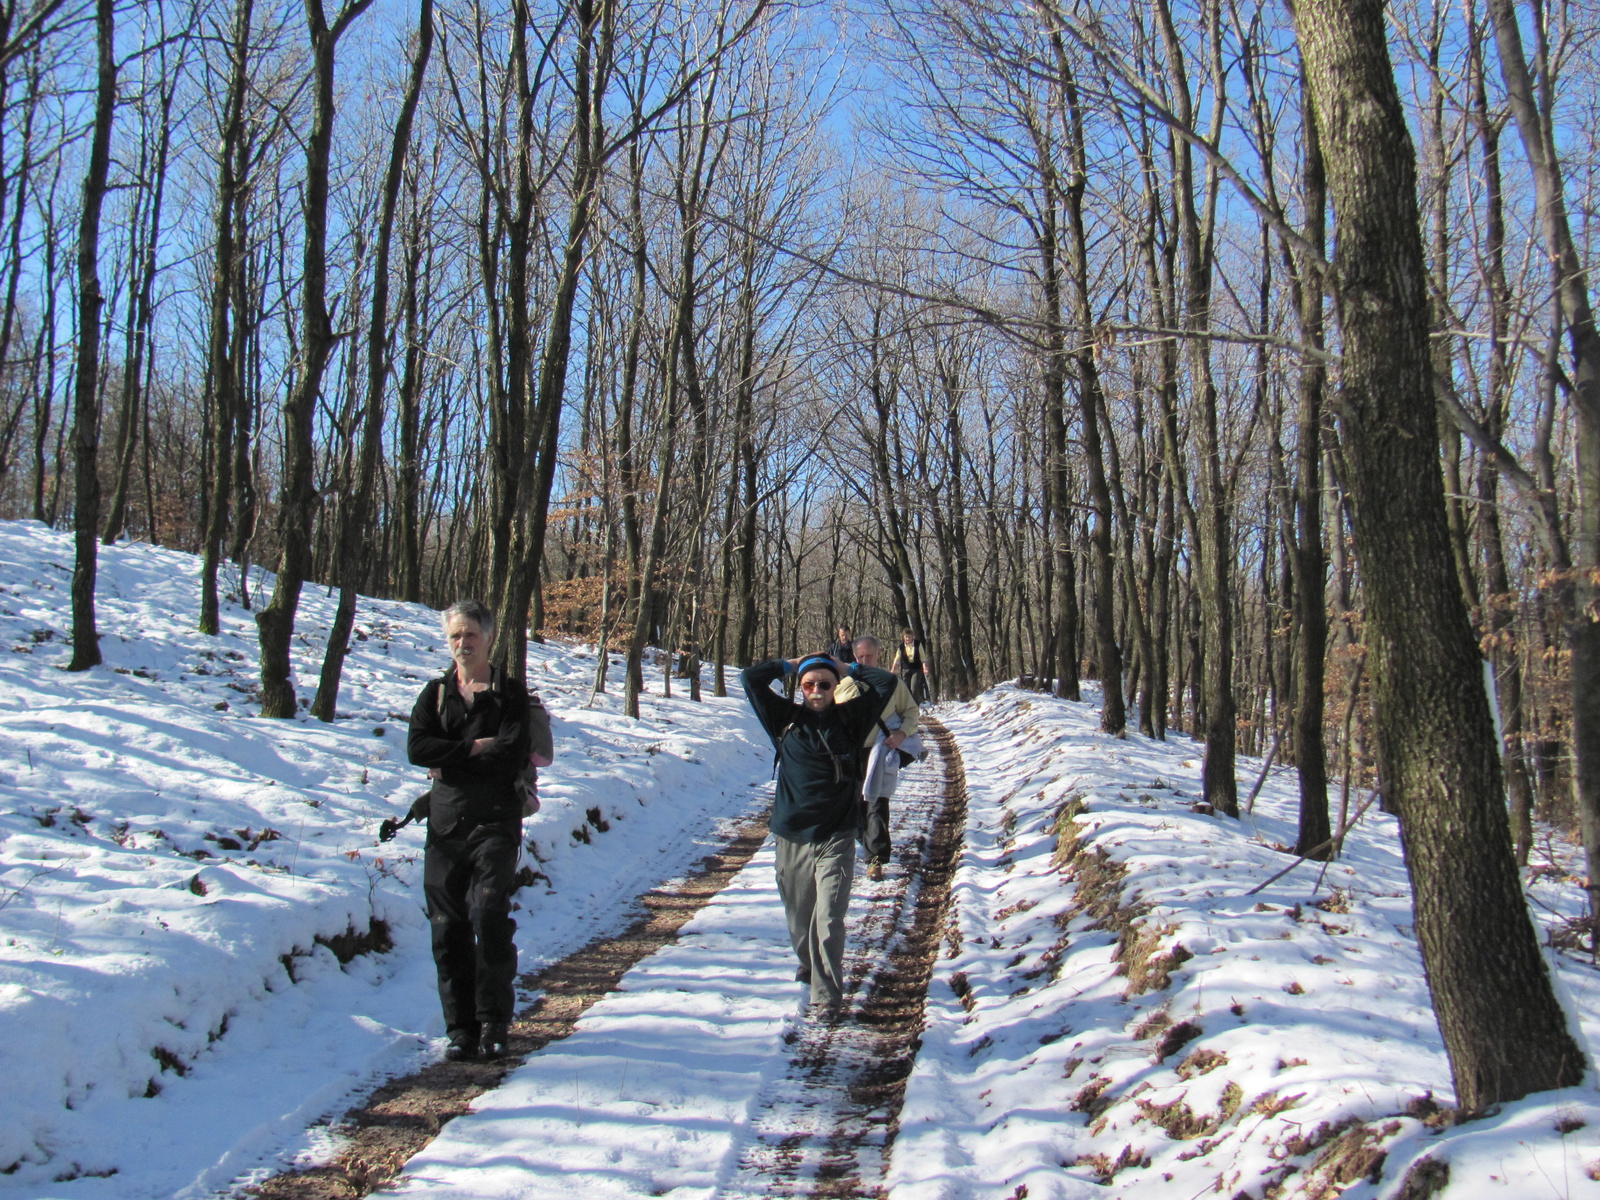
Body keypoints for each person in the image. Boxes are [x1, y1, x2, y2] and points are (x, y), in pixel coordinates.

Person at [407, 600, 531, 1062]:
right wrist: (472, 747)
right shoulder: (435, 693)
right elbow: (417, 748)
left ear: (489, 638)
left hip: (496, 821)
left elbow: (511, 751)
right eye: (456, 636)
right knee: (447, 928)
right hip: (444, 827)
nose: (463, 644)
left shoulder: (509, 693)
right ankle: (459, 1028)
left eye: (471, 635)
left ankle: (494, 1021)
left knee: (487, 915)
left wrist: (451, 760)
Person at [742, 651, 898, 1017]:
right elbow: (751, 679)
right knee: (799, 917)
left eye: (824, 685)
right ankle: (807, 963)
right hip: (792, 835)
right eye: (809, 685)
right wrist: (791, 665)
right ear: (801, 688)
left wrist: (847, 668)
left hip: (837, 834)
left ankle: (826, 996)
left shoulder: (851, 718)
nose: (816, 691)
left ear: (834, 688)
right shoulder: (784, 717)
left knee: (829, 917)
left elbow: (888, 683)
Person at [834, 635, 919, 882]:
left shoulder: (892, 683)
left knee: (877, 805)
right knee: (853, 806)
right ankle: (862, 841)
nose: (863, 660)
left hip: (879, 752)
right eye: (859, 657)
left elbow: (911, 712)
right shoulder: (844, 685)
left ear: (878, 655)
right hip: (850, 754)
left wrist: (902, 733)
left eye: (868, 656)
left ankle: (875, 859)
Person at [891, 628, 931, 704]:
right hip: (905, 670)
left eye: (909, 637)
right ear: (904, 637)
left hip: (916, 670)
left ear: (913, 637)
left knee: (914, 689)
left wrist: (925, 667)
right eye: (906, 637)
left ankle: (915, 707)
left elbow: (923, 658)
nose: (908, 639)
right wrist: (893, 669)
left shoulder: (917, 644)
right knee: (906, 690)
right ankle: (907, 707)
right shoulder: (901, 647)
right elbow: (897, 659)